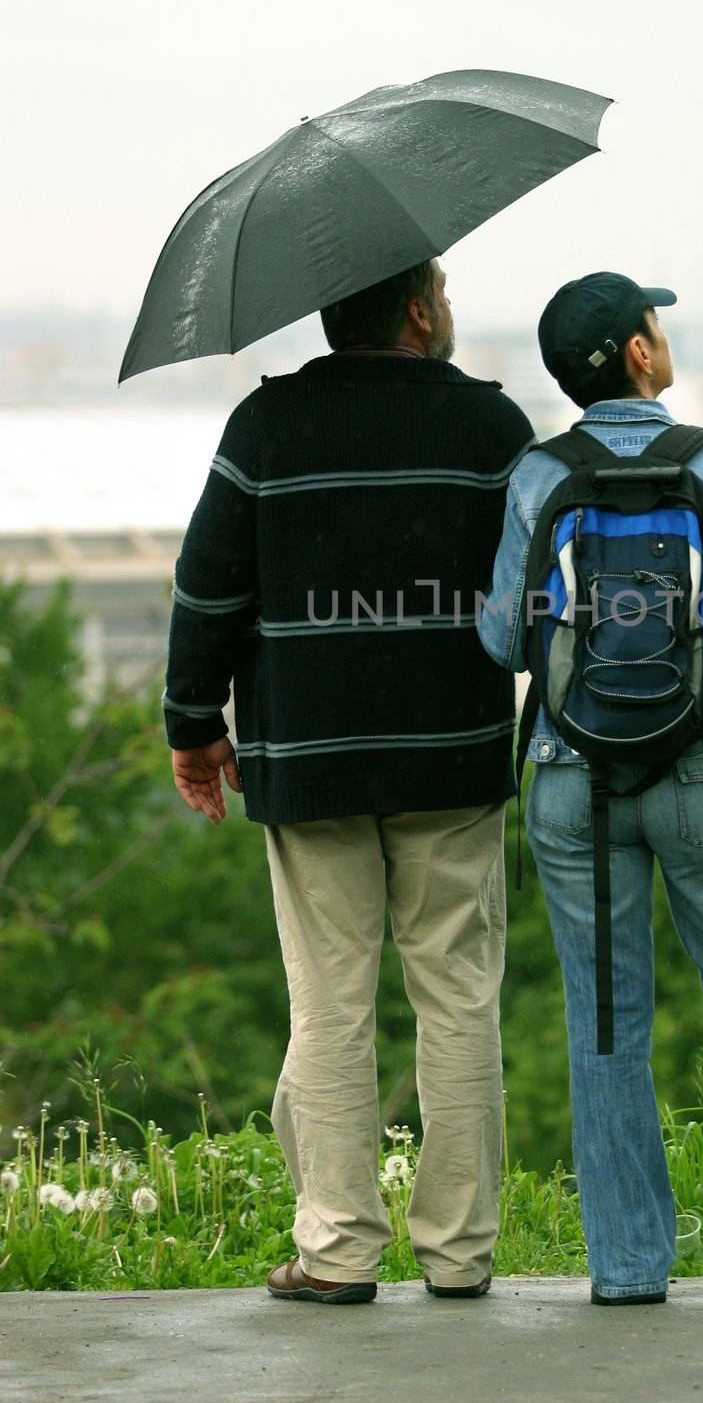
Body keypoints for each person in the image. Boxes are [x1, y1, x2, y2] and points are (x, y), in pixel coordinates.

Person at [163, 259, 534, 1304]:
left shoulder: (264, 429)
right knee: (457, 997)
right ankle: (458, 1256)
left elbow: (206, 589)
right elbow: (538, 591)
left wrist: (194, 727)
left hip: (310, 759)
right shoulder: (490, 430)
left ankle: (335, 1253)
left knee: (328, 1004)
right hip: (451, 755)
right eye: (444, 291)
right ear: (418, 311)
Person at [477, 271, 703, 1306]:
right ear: (636, 354)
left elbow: (505, 636)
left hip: (569, 784)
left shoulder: (537, 475)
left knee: (603, 1022)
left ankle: (630, 1267)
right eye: (651, 322)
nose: (659, 332)